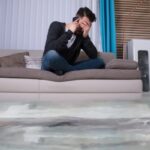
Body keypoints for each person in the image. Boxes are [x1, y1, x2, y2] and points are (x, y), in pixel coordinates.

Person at [41, 7, 105, 75]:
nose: (85, 27)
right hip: (50, 63)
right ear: (76, 19)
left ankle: (65, 70)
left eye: (88, 26)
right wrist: (69, 32)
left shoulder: (81, 36)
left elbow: (94, 55)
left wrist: (85, 36)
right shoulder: (56, 25)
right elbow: (50, 49)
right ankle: (70, 70)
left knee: (99, 61)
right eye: (84, 23)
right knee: (51, 55)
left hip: (67, 65)